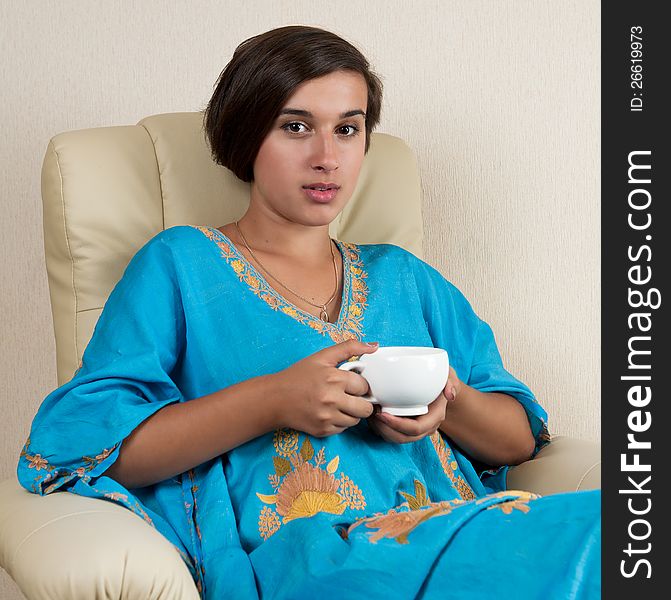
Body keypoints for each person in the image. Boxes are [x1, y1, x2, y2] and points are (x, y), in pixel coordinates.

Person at [18, 25, 600, 599]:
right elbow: (83, 447)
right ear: (248, 136)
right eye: (296, 127)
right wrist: (275, 401)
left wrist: (446, 402)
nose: (327, 156)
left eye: (348, 129)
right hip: (311, 555)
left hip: (453, 530)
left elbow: (519, 439)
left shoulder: (402, 276)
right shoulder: (180, 265)